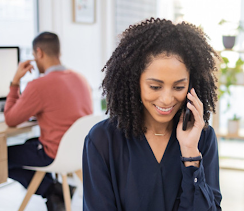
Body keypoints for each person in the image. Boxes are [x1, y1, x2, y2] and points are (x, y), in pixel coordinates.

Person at [82, 18, 222, 211]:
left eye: (179, 87)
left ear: (191, 85)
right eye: (155, 86)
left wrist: (190, 152)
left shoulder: (203, 139)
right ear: (134, 81)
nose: (166, 99)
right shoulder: (103, 140)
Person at [4, 32, 93, 211]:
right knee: (29, 143)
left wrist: (15, 82)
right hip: (80, 153)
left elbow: (11, 119)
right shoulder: (80, 78)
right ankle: (54, 192)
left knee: (1, 158)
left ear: (39, 53)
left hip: (53, 154)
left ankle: (51, 190)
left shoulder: (38, 86)